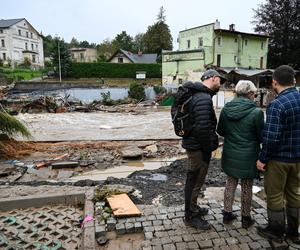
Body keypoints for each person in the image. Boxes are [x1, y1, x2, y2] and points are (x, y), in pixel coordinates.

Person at [256, 65, 300, 244]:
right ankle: (293, 232)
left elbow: (271, 137)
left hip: (279, 159)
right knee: (295, 193)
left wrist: (262, 159)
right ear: (294, 80)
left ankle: (275, 231)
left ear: (274, 82)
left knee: (274, 195)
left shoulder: (277, 104)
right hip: (298, 159)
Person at [181, 69, 225, 230]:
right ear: (213, 78)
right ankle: (190, 216)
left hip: (194, 145)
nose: (220, 83)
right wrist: (211, 146)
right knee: (194, 181)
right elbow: (203, 129)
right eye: (220, 80)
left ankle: (193, 208)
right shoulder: (203, 98)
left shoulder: (197, 95)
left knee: (195, 180)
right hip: (198, 148)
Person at [217, 80, 264, 229]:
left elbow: (221, 131)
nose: (255, 96)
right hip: (249, 155)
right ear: (250, 94)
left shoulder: (226, 109)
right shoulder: (257, 112)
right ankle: (245, 217)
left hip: (230, 152)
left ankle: (227, 214)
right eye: (254, 94)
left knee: (230, 183)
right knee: (247, 186)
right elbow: (261, 136)